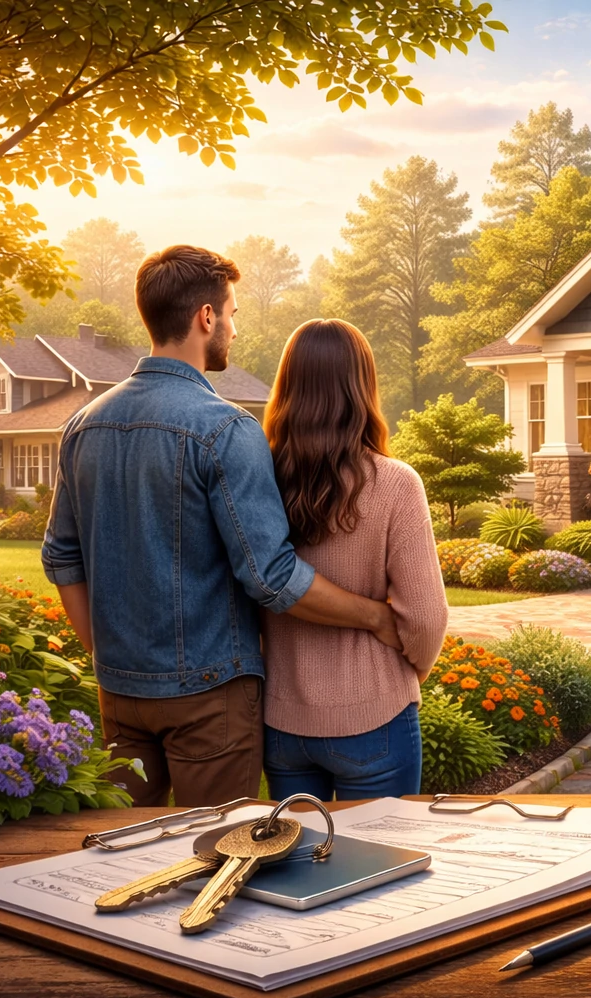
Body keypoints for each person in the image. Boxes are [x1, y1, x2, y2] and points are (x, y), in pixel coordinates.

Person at [43, 245, 402, 808]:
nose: (232, 328)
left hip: (120, 692)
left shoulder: (82, 425)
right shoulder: (224, 428)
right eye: (231, 313)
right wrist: (375, 616)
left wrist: (105, 656)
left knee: (122, 850)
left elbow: (62, 557)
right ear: (205, 317)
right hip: (209, 697)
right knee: (215, 853)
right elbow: (271, 577)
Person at [258, 319, 447, 801]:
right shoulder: (395, 483)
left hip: (283, 721)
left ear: (288, 387)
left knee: (298, 870)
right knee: (384, 868)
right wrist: (409, 672)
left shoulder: (259, 481)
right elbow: (426, 617)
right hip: (375, 717)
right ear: (362, 386)